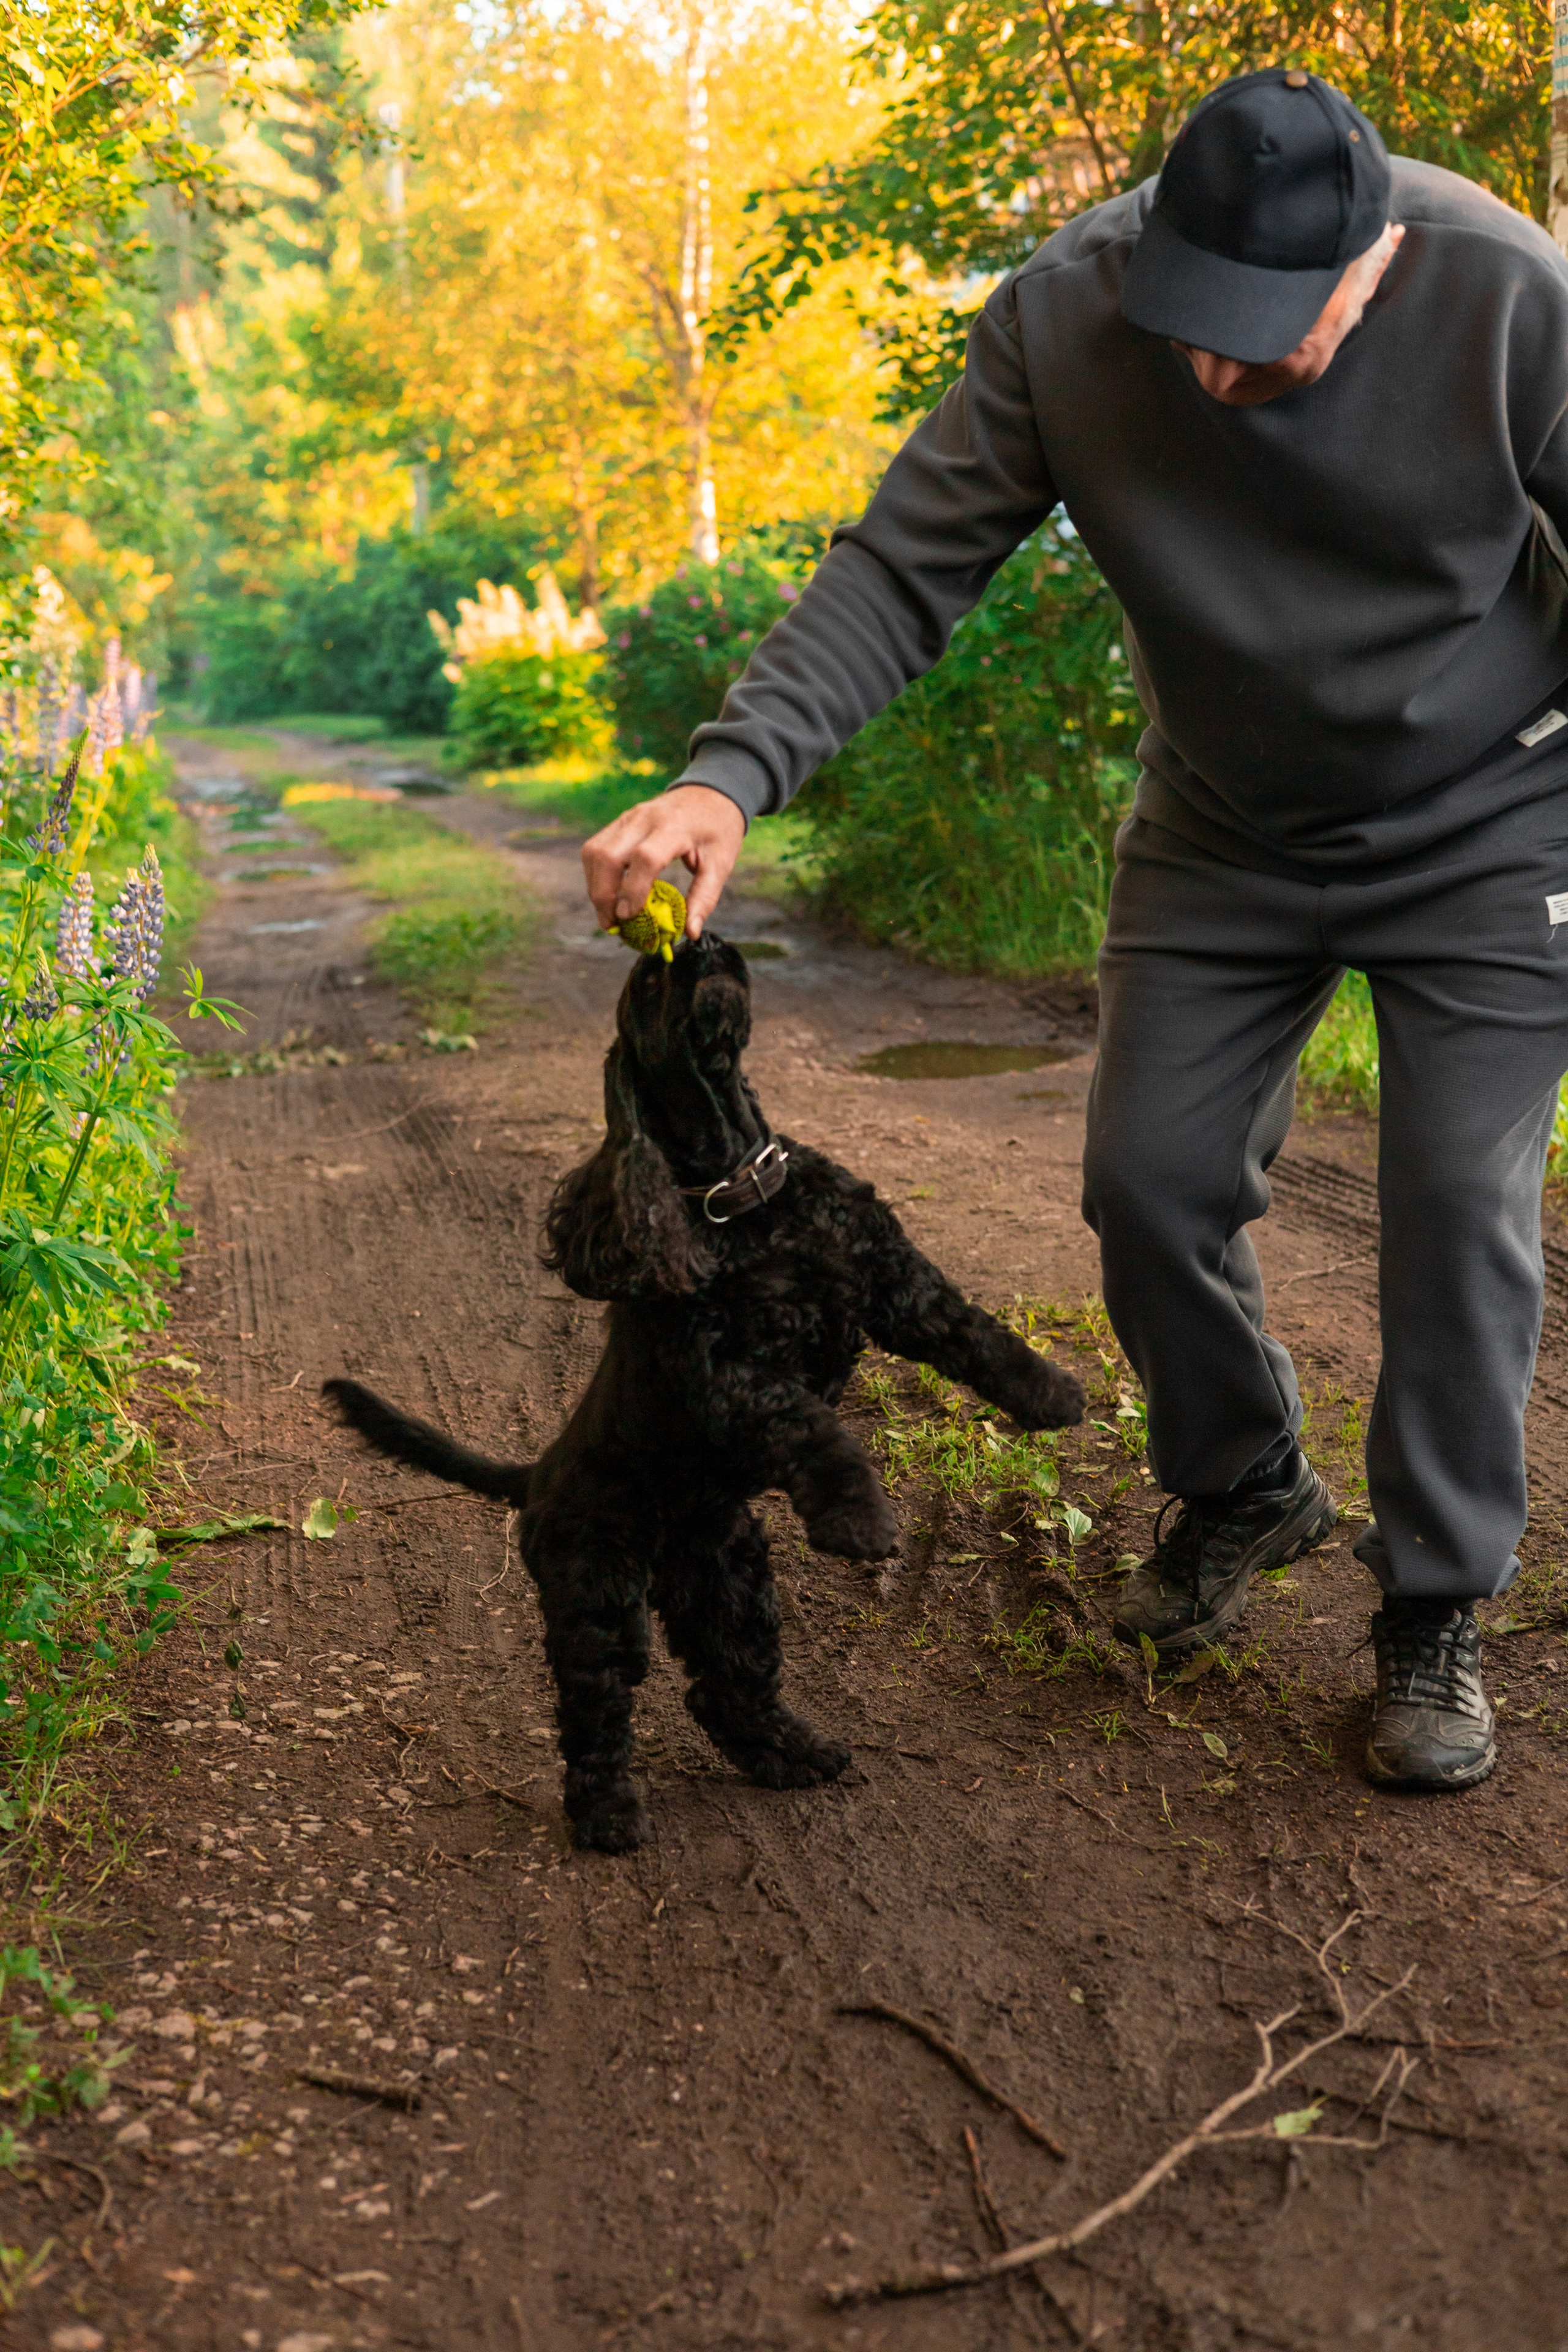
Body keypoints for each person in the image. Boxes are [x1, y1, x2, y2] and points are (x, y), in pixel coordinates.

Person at [582, 68, 1568, 1793]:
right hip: (1224, 823)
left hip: (1494, 816)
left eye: (1269, 337)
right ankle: (1247, 1478)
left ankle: (1433, 1596)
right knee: (1148, 1181)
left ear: (1379, 260)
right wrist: (729, 778)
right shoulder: (1067, 310)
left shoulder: (1507, 293)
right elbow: (905, 567)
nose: (1217, 375)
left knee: (1453, 1207)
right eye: (1194, 324)